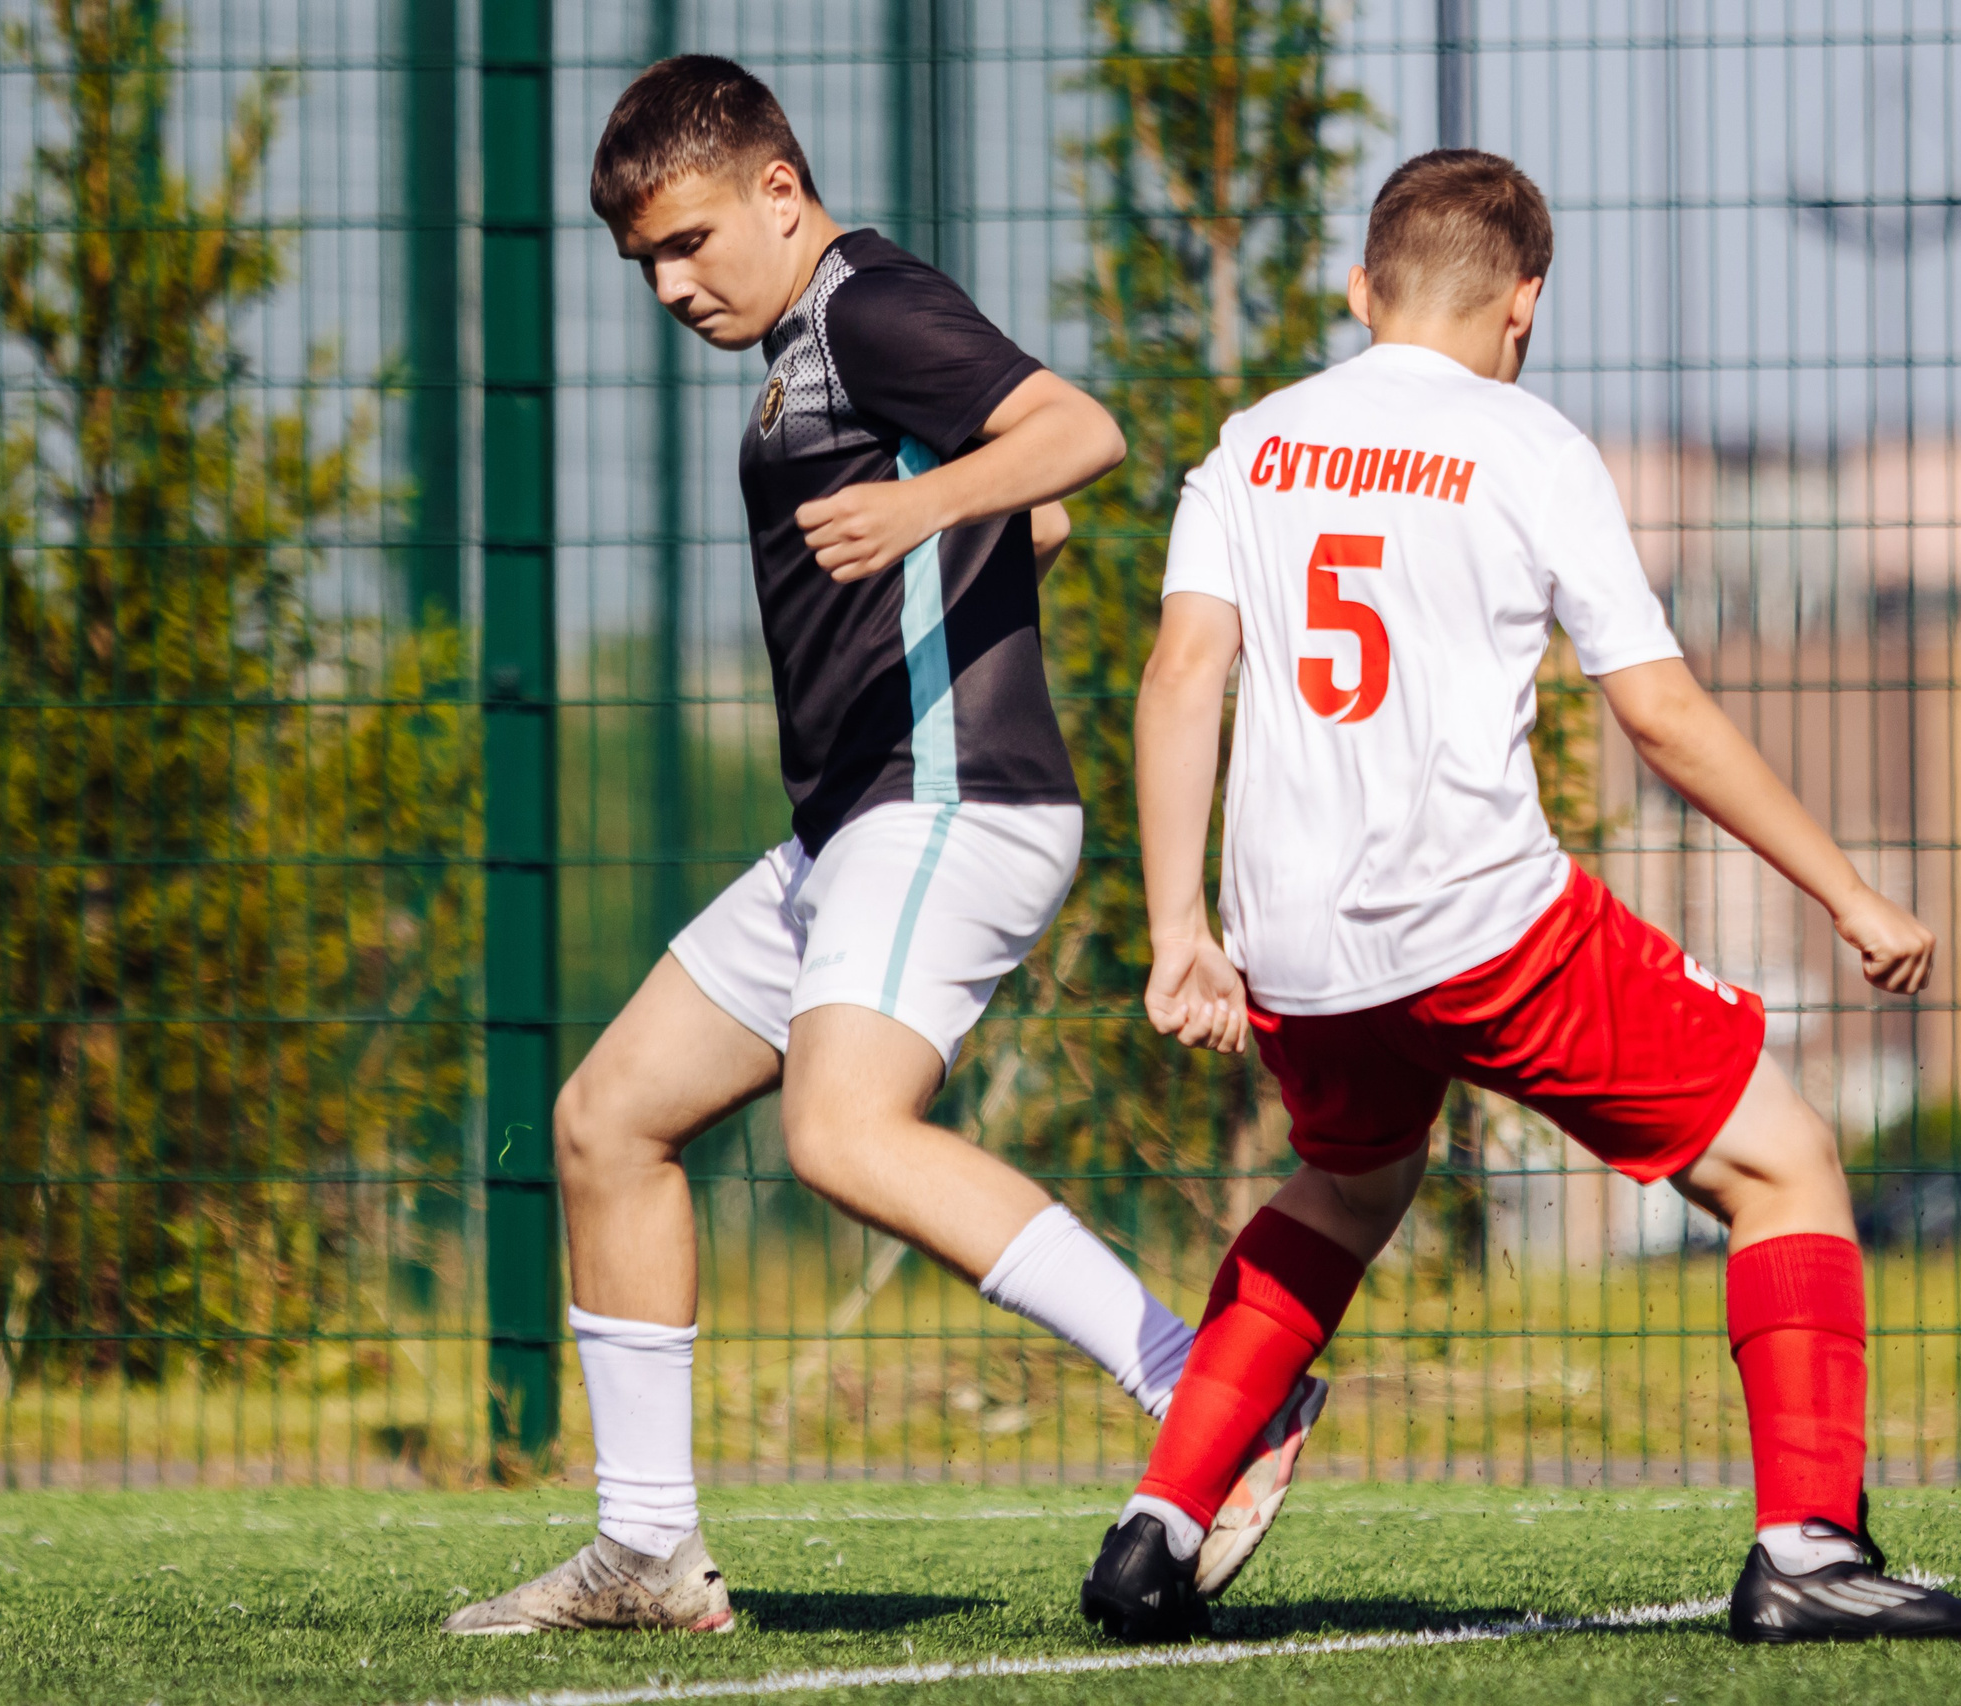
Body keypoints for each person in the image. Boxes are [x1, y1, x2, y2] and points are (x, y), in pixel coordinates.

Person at [1081, 149, 1961, 1647]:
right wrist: (1847, 890)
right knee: (1784, 1161)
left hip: (1297, 947)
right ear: (1525, 303)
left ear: (1358, 289)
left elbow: (1183, 674)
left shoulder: (1253, 441)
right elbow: (1661, 714)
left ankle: (1160, 1523)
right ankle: (1811, 1547)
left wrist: (1183, 927)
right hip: (1480, 924)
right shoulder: (1527, 445)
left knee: (1349, 1184)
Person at [445, 55, 1311, 1636]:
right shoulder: (804, 349)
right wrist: (975, 513)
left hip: (948, 800)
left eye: (692, 239)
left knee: (842, 1133)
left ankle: (1209, 1385)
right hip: (848, 825)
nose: (668, 282)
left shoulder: (859, 302)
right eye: (643, 258)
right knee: (606, 1120)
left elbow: (1077, 429)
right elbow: (1020, 497)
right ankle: (645, 1550)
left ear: (780, 188)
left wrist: (932, 513)